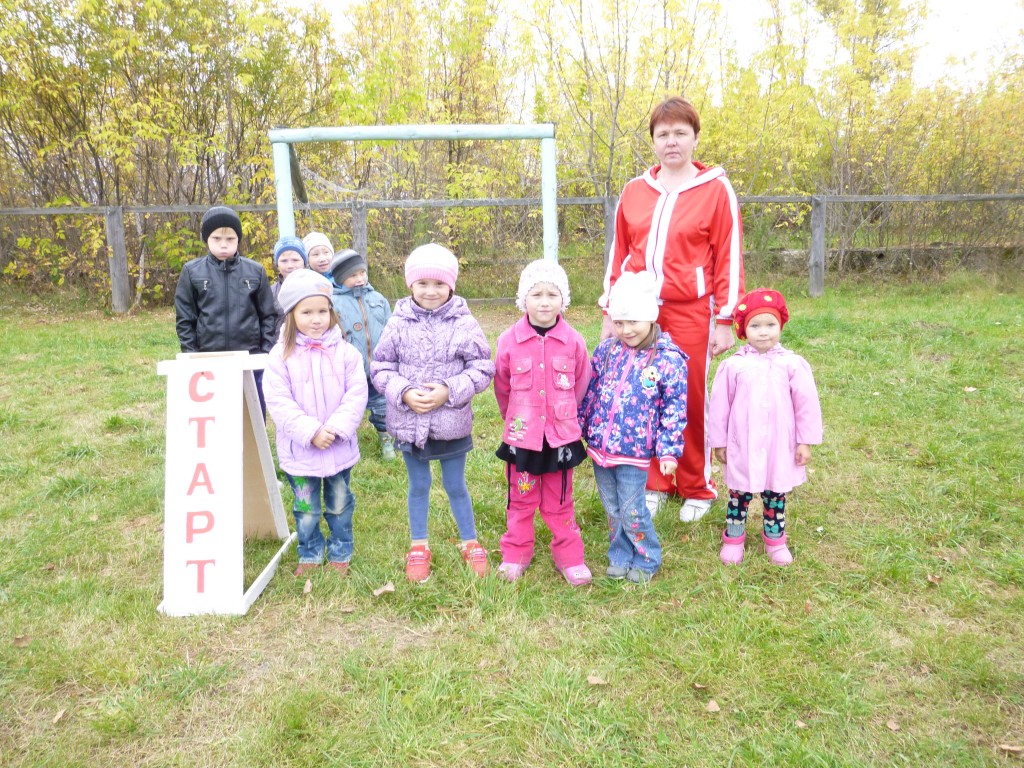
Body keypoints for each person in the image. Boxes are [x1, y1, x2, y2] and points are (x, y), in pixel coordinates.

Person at [599, 95, 744, 523]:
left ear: (695, 138)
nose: (672, 141)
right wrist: (610, 311)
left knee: (688, 396)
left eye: (681, 132)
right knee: (643, 394)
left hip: (691, 311)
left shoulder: (715, 189)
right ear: (653, 141)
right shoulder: (634, 191)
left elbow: (728, 255)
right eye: (663, 134)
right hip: (640, 313)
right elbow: (619, 254)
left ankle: (696, 484)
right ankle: (656, 482)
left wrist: (725, 319)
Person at [370, 244, 495, 583]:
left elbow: (482, 367)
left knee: (455, 484)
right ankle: (418, 545)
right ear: (410, 284)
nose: (430, 291)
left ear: (451, 286)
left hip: (451, 423)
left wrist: (448, 391)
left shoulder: (464, 323)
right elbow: (381, 367)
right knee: (419, 484)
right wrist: (404, 392)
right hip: (409, 425)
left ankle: (470, 541)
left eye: (439, 284)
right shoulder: (398, 322)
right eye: (422, 283)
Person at [580, 272, 687, 583]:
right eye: (619, 322)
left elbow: (674, 409)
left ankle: (647, 557)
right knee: (612, 508)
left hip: (634, 451)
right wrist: (579, 427)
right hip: (600, 448)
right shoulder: (606, 351)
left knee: (632, 509)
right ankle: (620, 554)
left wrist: (668, 451)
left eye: (633, 322)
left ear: (651, 317)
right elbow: (590, 392)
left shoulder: (667, 360)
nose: (626, 330)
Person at [493, 260, 593, 586]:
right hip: (523, 438)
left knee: (560, 502)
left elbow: (581, 384)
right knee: (520, 500)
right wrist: (515, 419)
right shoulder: (509, 340)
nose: (545, 302)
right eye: (537, 294)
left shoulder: (573, 341)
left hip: (560, 439)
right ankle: (516, 553)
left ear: (564, 299)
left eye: (553, 294)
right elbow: (502, 386)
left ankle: (570, 556)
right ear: (524, 299)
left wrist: (565, 416)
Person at [263, 269, 369, 577]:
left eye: (322, 311)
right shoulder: (279, 357)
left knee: (339, 504)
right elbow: (279, 402)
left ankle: (340, 549)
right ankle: (309, 552)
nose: (316, 319)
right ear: (291, 315)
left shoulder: (347, 353)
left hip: (338, 448)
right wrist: (310, 432)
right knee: (306, 509)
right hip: (301, 452)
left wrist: (334, 429)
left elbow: (356, 393)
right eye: (306, 312)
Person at [709, 288, 822, 567]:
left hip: (778, 445)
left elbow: (806, 405)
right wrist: (719, 442)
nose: (763, 332)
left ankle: (775, 539)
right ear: (743, 330)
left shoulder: (792, 364)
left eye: (770, 325)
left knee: (775, 493)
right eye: (755, 325)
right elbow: (720, 407)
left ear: (780, 325)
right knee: (739, 493)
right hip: (743, 444)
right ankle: (733, 537)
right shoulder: (733, 367)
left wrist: (804, 441)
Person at [174, 205, 277, 415]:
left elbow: (268, 315)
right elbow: (185, 318)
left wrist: (264, 352)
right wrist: (192, 354)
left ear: (238, 239)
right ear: (207, 239)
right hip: (209, 358)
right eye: (217, 238)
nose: (223, 244)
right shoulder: (192, 271)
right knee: (216, 414)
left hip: (250, 357)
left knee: (252, 412)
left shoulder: (255, 271)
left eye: (230, 238)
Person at [329, 247, 396, 460]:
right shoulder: (333, 303)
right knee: (348, 407)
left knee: (382, 406)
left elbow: (391, 328)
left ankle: (386, 440)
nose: (359, 279)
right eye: (352, 275)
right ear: (340, 278)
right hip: (349, 370)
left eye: (362, 273)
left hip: (378, 367)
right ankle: (346, 440)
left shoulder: (377, 299)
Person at [271, 235, 307, 338]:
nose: (290, 265)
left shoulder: (315, 287)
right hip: (280, 344)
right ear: (277, 264)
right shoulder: (271, 292)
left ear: (304, 262)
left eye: (295, 260)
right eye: (284, 261)